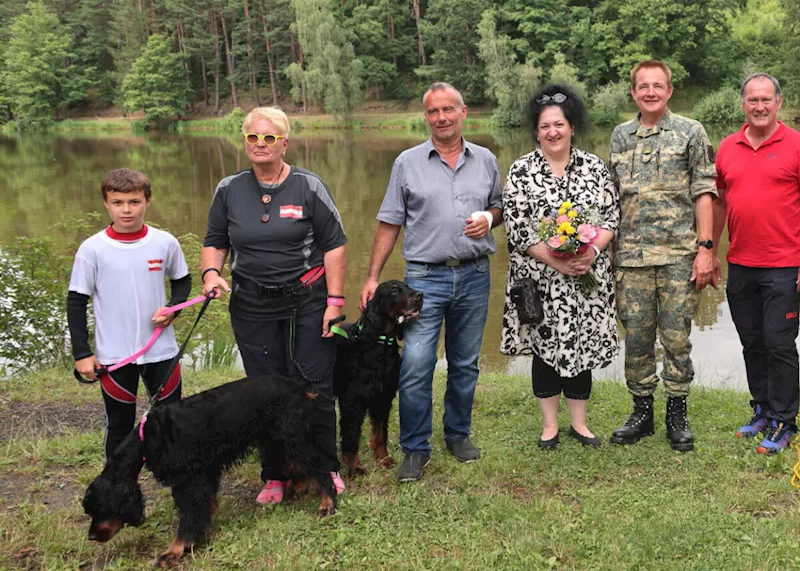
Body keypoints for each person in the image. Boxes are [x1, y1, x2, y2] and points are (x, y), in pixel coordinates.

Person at [200, 107, 349, 503]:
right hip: (251, 302)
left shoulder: (308, 186)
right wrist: (211, 274)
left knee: (314, 385)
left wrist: (335, 302)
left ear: (285, 143)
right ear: (244, 141)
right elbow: (215, 240)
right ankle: (276, 474)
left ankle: (325, 468)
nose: (260, 144)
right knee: (262, 390)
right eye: (253, 137)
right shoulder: (229, 189)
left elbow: (334, 244)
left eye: (270, 138)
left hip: (307, 299)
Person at [363, 82, 503, 480]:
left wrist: (490, 219)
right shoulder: (407, 163)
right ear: (426, 117)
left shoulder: (487, 159)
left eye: (448, 110)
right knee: (417, 362)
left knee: (464, 363)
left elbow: (499, 205)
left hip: (475, 275)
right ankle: (415, 447)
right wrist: (372, 276)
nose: (441, 118)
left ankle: (458, 434)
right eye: (432, 112)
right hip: (423, 281)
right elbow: (390, 222)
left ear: (463, 113)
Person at [710, 73, 800, 454]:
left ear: (778, 102)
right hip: (741, 263)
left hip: (783, 266)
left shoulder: (799, 145)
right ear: (742, 104)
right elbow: (721, 203)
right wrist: (708, 250)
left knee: (779, 344)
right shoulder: (727, 147)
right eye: (752, 100)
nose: (759, 106)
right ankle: (760, 409)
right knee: (752, 342)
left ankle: (784, 421)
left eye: (766, 100)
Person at [501, 84, 620, 449]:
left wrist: (590, 254)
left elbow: (611, 219)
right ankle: (550, 425)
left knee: (581, 348)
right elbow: (517, 226)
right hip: (540, 280)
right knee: (545, 348)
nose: (553, 132)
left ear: (572, 126)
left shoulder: (595, 167)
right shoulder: (521, 170)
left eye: (560, 124)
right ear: (536, 131)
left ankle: (580, 424)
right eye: (545, 126)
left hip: (586, 277)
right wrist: (555, 259)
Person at [608, 59, 718, 452]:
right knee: (636, 337)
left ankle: (677, 412)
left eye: (658, 85)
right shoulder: (621, 136)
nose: (650, 92)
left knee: (676, 336)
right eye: (643, 86)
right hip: (631, 258)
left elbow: (704, 192)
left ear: (669, 91)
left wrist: (705, 249)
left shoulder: (691, 132)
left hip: (677, 255)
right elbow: (613, 199)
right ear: (634, 93)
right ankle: (642, 411)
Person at [69, 168, 192, 461]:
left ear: (148, 201)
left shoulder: (165, 242)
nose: (126, 210)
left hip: (161, 351)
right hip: (114, 355)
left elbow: (182, 281)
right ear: (106, 203)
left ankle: (176, 479)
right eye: (118, 202)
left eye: (134, 202)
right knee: (120, 425)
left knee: (171, 420)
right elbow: (76, 301)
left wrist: (173, 308)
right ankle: (116, 487)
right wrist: (82, 353)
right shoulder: (92, 249)